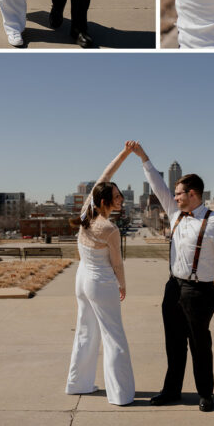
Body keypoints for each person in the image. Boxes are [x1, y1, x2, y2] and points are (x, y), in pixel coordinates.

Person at [128, 141, 214, 411]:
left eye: (179, 193)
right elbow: (157, 186)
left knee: (200, 345)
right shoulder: (175, 214)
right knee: (173, 343)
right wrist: (144, 158)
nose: (174, 197)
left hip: (200, 292)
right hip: (173, 288)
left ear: (193, 194)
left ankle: (206, 394)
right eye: (175, 194)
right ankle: (172, 390)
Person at [65, 145, 135, 405]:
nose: (121, 200)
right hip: (101, 282)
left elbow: (106, 174)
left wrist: (125, 154)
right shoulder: (109, 228)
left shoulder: (87, 211)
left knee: (85, 332)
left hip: (82, 279)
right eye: (117, 197)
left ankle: (78, 383)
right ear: (105, 201)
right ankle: (120, 394)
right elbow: (117, 264)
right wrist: (123, 285)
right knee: (114, 337)